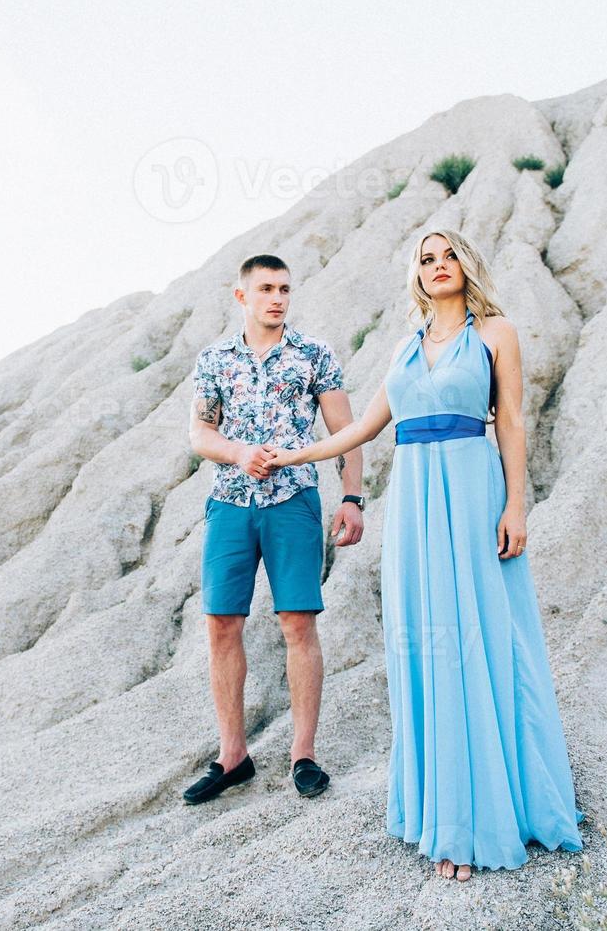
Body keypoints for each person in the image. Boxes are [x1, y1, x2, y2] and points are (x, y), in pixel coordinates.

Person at [264, 230, 585, 880]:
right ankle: (443, 816)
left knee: (480, 644)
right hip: (413, 513)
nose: (438, 266)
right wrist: (296, 456)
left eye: (448, 256)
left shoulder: (497, 334)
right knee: (428, 654)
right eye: (426, 258)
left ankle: (484, 818)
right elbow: (360, 429)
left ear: (467, 266)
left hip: (471, 500)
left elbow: (514, 423)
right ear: (416, 274)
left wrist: (516, 506)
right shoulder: (405, 348)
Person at [183, 253, 365, 805]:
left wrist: (353, 497)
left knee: (297, 623)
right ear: (242, 296)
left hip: (294, 501)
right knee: (220, 625)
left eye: (285, 288)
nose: (278, 298)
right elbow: (200, 433)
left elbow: (347, 430)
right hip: (230, 503)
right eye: (266, 288)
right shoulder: (214, 359)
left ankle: (303, 755)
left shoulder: (314, 354)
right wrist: (239, 454)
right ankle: (233, 756)